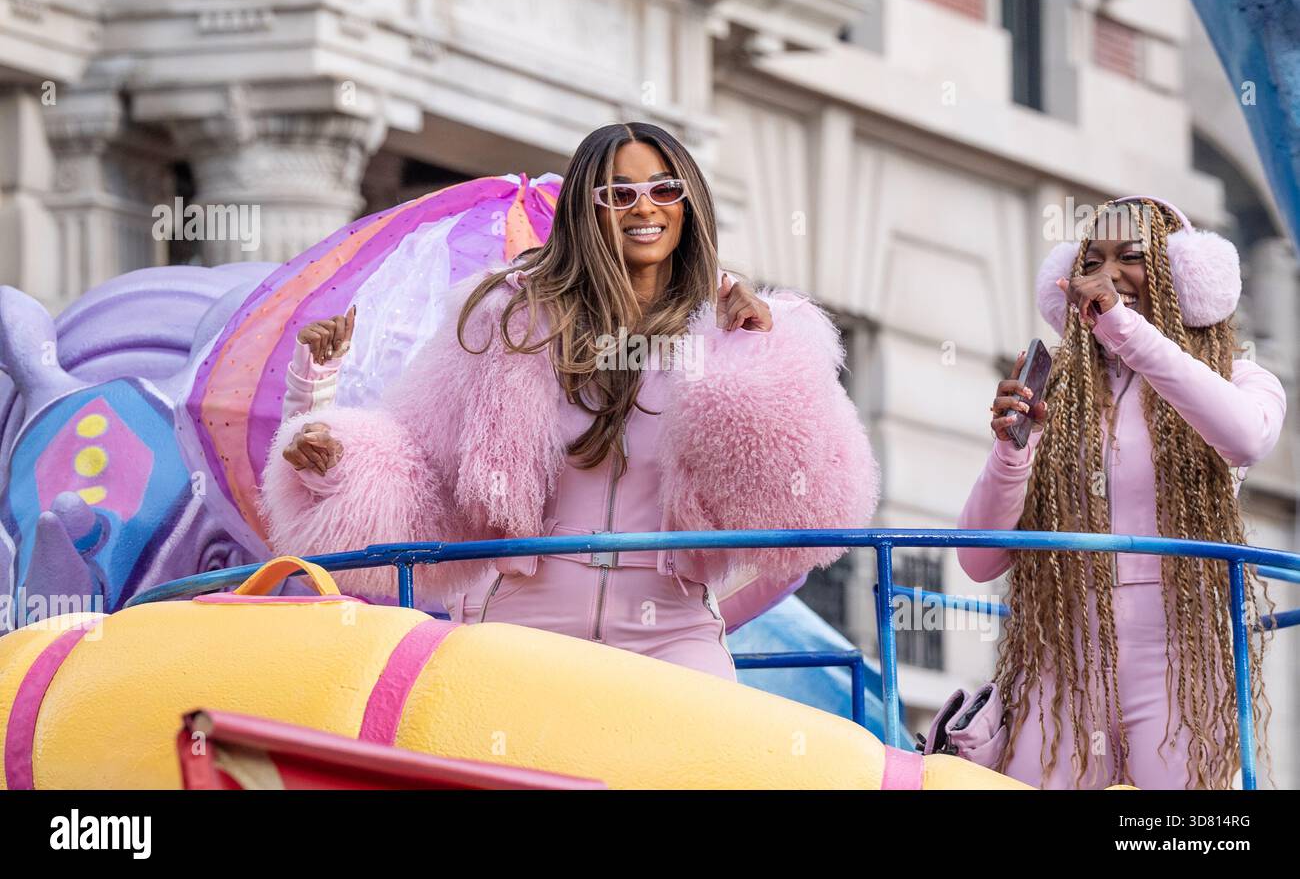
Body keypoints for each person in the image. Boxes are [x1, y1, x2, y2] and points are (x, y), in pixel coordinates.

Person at [259, 121, 879, 681]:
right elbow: (420, 461)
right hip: (523, 628)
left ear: (689, 204)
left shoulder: (731, 332)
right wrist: (333, 451)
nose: (645, 207)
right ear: (586, 209)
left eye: (665, 189)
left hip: (671, 633)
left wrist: (763, 354)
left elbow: (806, 510)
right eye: (619, 193)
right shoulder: (508, 321)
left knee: (710, 754)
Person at [958, 196, 1286, 788]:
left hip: (1178, 667)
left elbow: (1246, 438)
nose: (1107, 276)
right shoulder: (1058, 395)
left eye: (1131, 257)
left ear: (1184, 275)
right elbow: (977, 561)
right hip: (1061, 666)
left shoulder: (1237, 378)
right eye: (1093, 262)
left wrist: (1124, 327)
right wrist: (1012, 450)